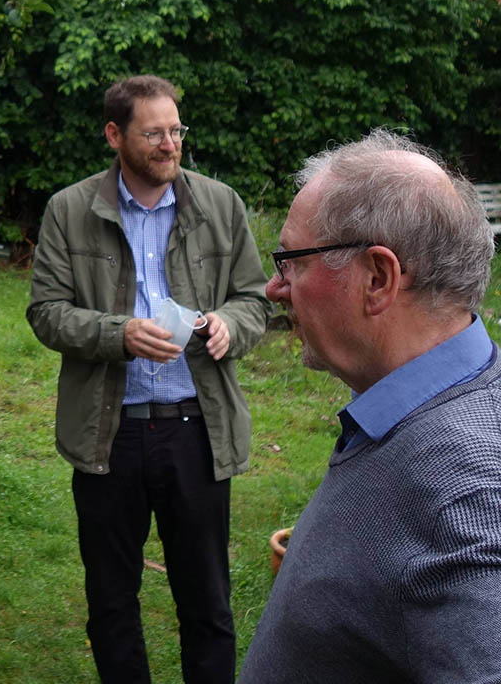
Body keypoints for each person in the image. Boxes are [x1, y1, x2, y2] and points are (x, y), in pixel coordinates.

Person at [27, 74, 269, 683]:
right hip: (109, 434)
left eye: (176, 130)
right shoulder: (69, 209)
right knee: (111, 603)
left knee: (207, 604)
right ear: (115, 135)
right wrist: (119, 334)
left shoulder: (220, 204)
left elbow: (254, 298)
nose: (170, 144)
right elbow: (46, 312)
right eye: (153, 132)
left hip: (196, 430)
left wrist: (227, 325)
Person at [240, 129, 501, 683]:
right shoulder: (415, 412)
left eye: (290, 261)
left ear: (377, 278)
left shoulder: (465, 500)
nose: (274, 287)